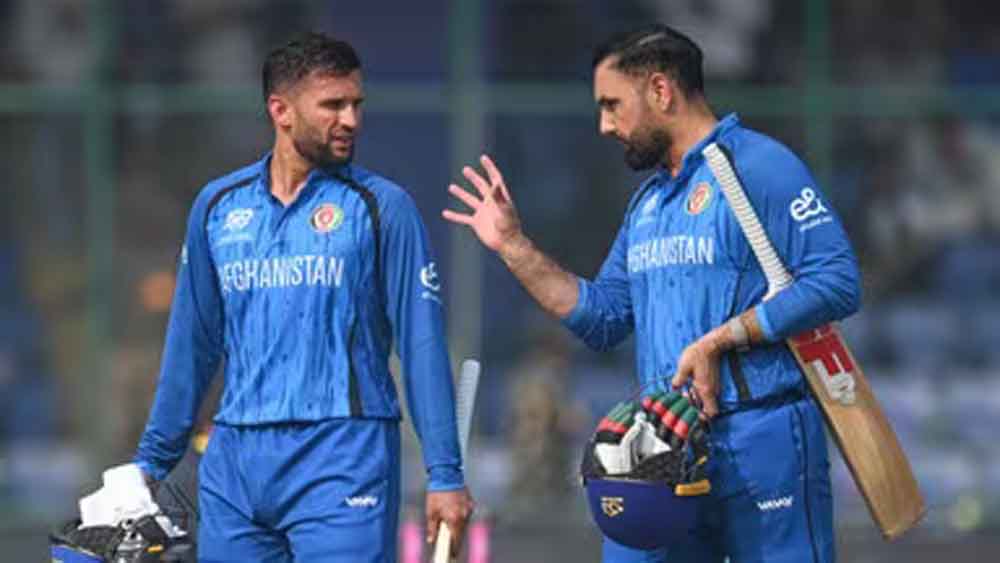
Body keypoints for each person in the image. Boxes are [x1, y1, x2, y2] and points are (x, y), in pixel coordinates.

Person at [443, 24, 860, 562]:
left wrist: (723, 339)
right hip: (665, 445)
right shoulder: (648, 204)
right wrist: (512, 246)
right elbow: (603, 317)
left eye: (612, 105)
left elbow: (836, 280)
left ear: (661, 90)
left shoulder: (760, 167)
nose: (604, 125)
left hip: (764, 436)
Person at [134, 31, 474, 562]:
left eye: (356, 103)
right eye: (333, 105)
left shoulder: (384, 207)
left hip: (345, 456)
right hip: (234, 466)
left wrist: (445, 474)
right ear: (281, 111)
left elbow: (421, 345)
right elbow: (191, 346)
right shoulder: (217, 207)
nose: (351, 119)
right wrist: (150, 466)